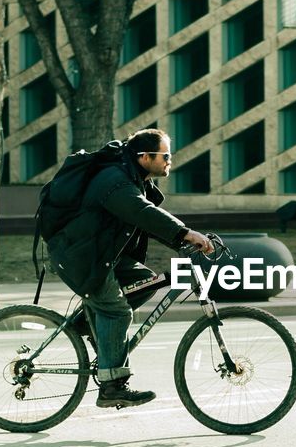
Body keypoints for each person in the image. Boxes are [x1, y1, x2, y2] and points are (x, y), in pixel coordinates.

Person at [45, 128, 213, 408]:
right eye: (165, 155)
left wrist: (181, 241)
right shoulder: (116, 181)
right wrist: (186, 233)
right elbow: (142, 212)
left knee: (149, 281)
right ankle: (112, 386)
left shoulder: (135, 180)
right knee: (117, 310)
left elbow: (145, 221)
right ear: (144, 157)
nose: (170, 160)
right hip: (82, 256)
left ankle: (88, 323)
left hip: (99, 253)